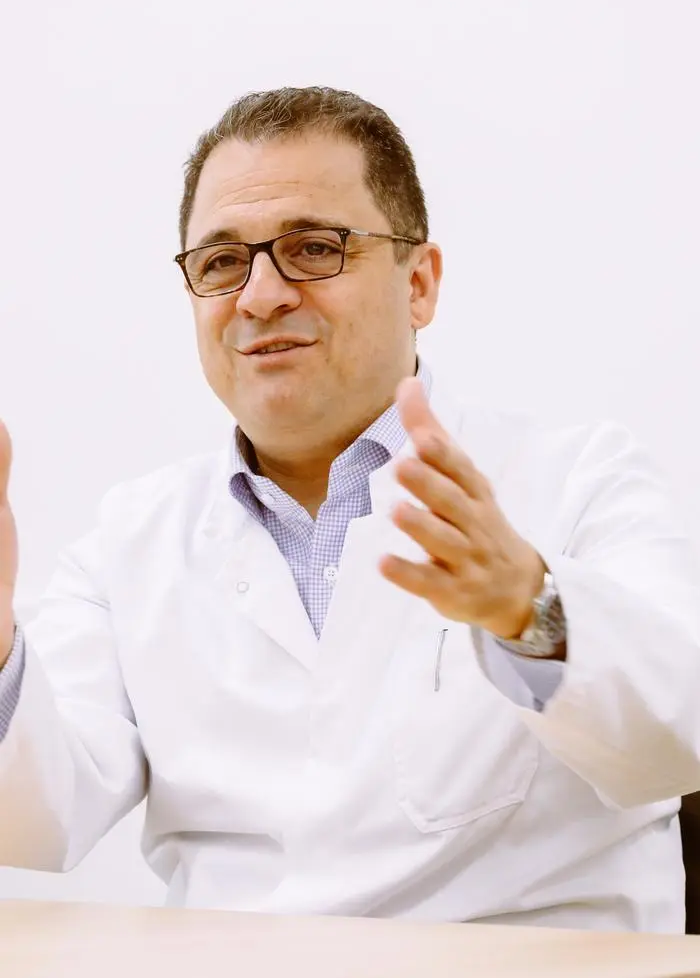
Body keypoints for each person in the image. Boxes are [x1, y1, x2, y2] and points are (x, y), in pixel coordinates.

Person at [0, 87, 699, 932]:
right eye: (221, 262)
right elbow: (34, 819)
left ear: (420, 284)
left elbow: (677, 739)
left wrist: (529, 607)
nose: (260, 295)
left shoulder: (578, 477)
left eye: (313, 249)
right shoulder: (130, 542)